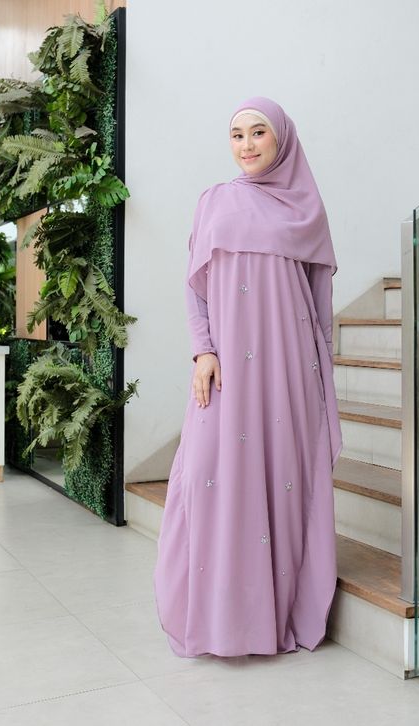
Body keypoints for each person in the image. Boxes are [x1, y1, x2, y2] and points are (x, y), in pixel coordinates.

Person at [153, 96, 343, 658]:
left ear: (281, 138)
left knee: (284, 480)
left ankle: (273, 616)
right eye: (237, 135)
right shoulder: (214, 201)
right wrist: (203, 351)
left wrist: (323, 373)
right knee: (208, 474)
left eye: (258, 132)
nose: (247, 145)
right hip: (229, 364)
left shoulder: (306, 209)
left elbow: (319, 301)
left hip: (291, 367)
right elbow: (194, 288)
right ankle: (219, 619)